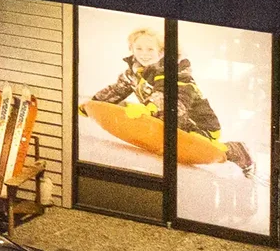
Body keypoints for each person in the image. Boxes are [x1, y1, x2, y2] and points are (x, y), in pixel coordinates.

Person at [87, 28, 252, 176]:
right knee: (130, 107)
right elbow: (116, 90)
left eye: (150, 49)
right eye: (139, 48)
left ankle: (234, 149)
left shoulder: (176, 73)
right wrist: (91, 105)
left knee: (190, 131)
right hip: (162, 115)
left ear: (160, 51)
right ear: (131, 50)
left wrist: (150, 109)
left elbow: (175, 99)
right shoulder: (133, 74)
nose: (144, 53)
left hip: (200, 125)